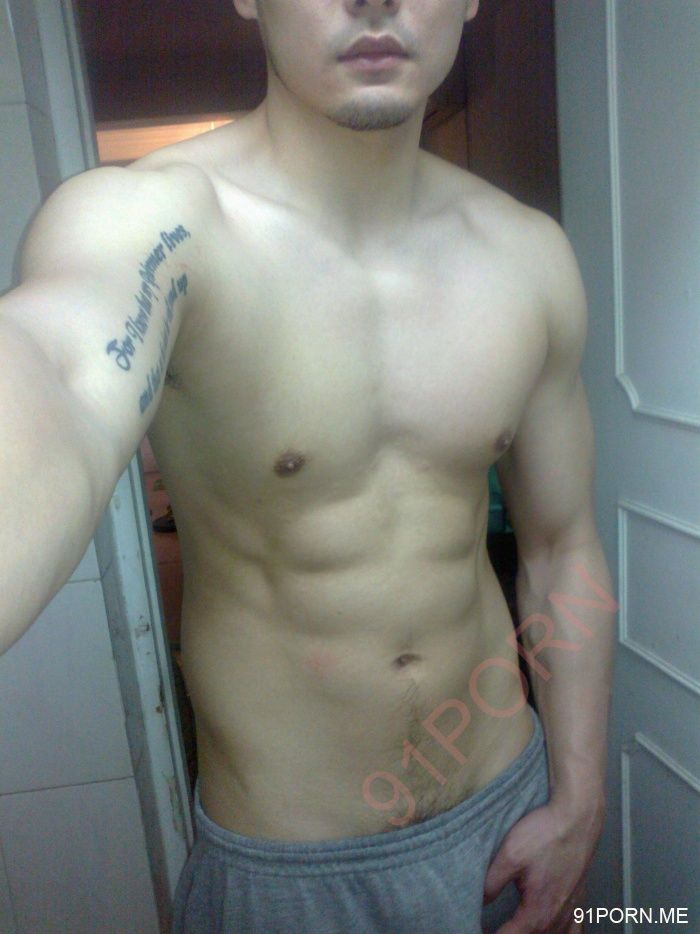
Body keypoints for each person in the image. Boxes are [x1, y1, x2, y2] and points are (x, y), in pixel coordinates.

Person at [0, 0, 617, 931]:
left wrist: (579, 798)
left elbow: (564, 548)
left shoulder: (530, 258)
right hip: (295, 877)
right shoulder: (155, 225)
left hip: (512, 813)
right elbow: (57, 370)